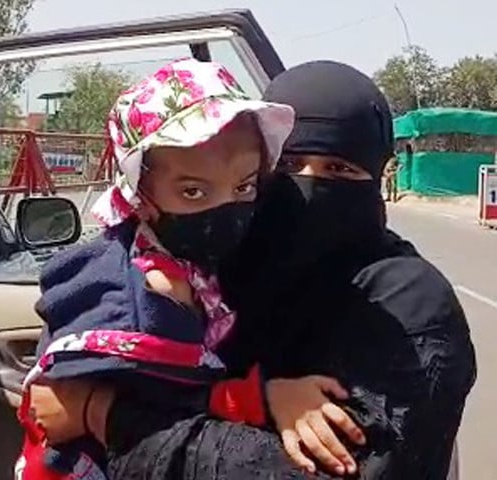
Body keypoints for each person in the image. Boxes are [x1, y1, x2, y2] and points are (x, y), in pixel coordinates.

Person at [29, 61, 476, 480]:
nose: (305, 185)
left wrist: (101, 414)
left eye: (338, 169)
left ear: (378, 178)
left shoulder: (410, 305)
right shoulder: (215, 261)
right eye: (285, 165)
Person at [15, 58, 299, 479]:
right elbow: (158, 424)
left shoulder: (185, 267)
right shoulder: (143, 296)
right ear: (140, 194)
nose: (225, 206)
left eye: (244, 186)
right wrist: (262, 398)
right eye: (192, 190)